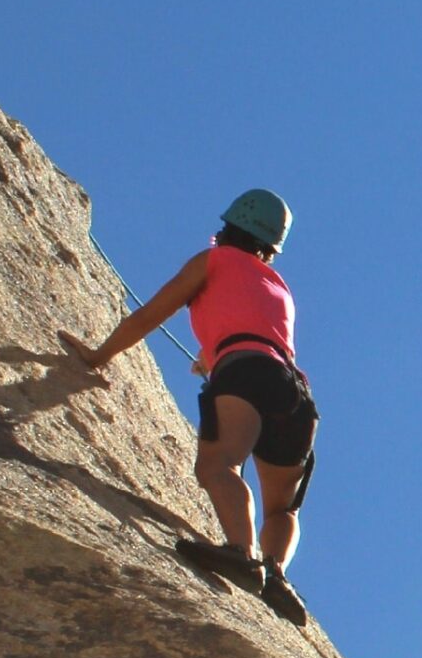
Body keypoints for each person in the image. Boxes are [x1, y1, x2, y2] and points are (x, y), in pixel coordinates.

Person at [65, 189, 318, 626]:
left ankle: (242, 554)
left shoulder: (212, 261)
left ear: (227, 227)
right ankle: (277, 574)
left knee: (219, 466)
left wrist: (96, 356)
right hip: (295, 393)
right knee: (282, 508)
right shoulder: (279, 287)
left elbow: (148, 316)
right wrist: (212, 356)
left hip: (244, 371)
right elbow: (255, 329)